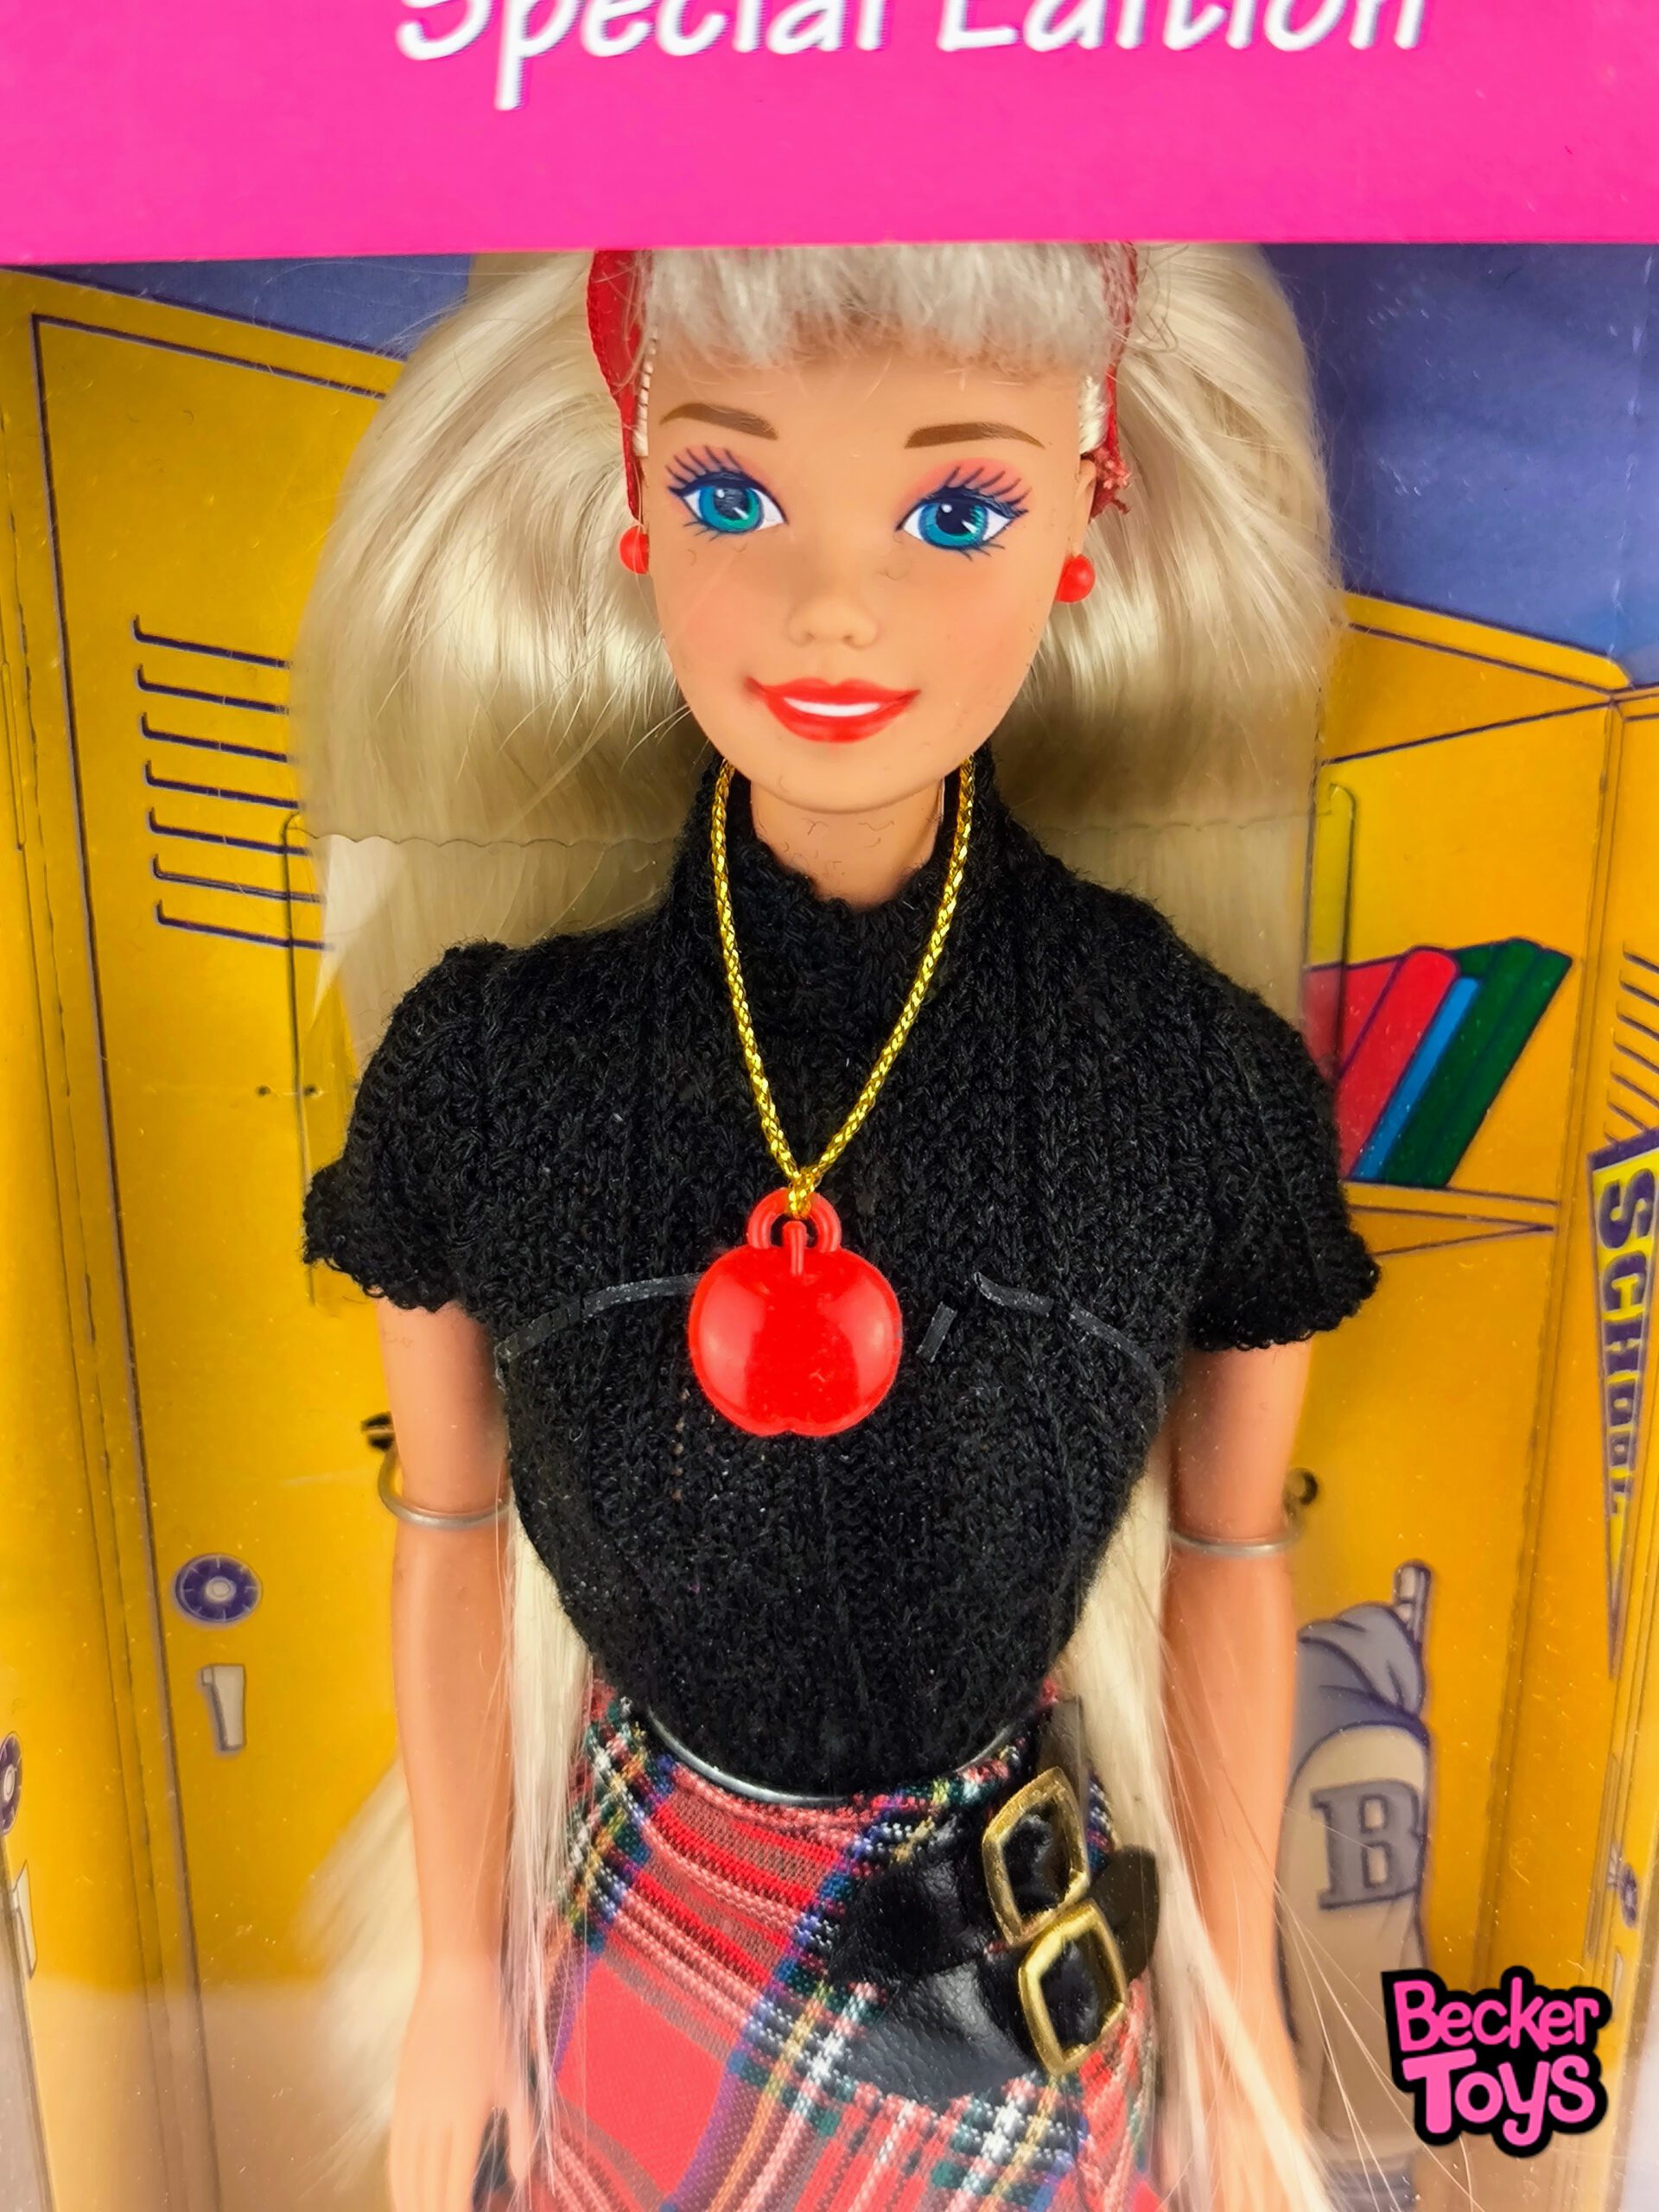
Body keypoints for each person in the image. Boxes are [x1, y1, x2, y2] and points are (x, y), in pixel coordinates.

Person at [294, 242, 1382, 2211]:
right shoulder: (493, 1067)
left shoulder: (1183, 1074)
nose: (834, 607)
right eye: (733, 492)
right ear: (635, 501)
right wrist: (455, 1969)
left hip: (997, 1963)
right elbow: (444, 1528)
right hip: (636, 1927)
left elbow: (1229, 1555)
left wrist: (1233, 2014)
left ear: (1086, 516)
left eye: (957, 508)